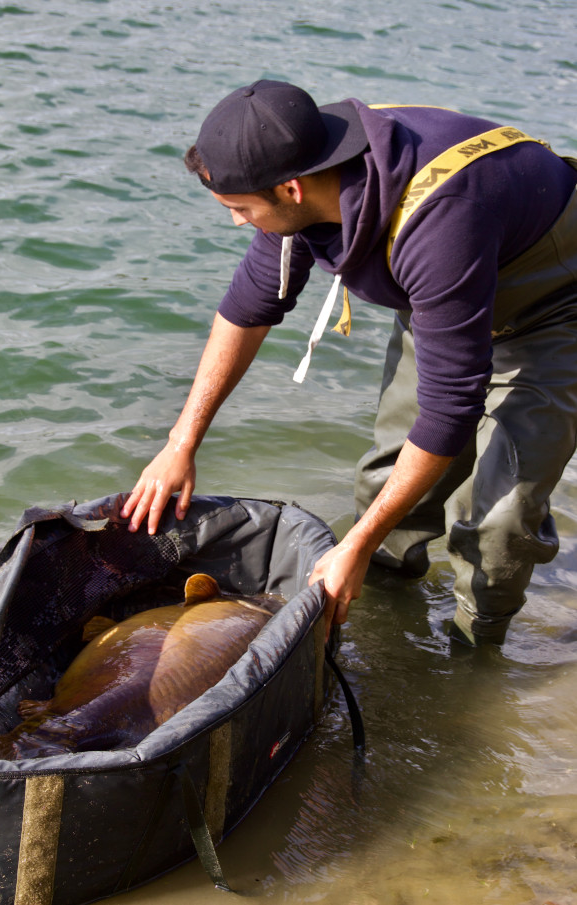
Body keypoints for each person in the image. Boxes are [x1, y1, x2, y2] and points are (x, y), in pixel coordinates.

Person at [121, 79, 577, 645]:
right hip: (448, 299)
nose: (237, 223)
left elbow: (448, 412)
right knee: (385, 479)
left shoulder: (438, 220)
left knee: (498, 522)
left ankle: (473, 657)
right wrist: (180, 443)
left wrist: (353, 544)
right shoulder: (304, 167)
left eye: (240, 210)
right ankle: (379, 622)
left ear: (290, 188)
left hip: (554, 313)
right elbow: (246, 311)